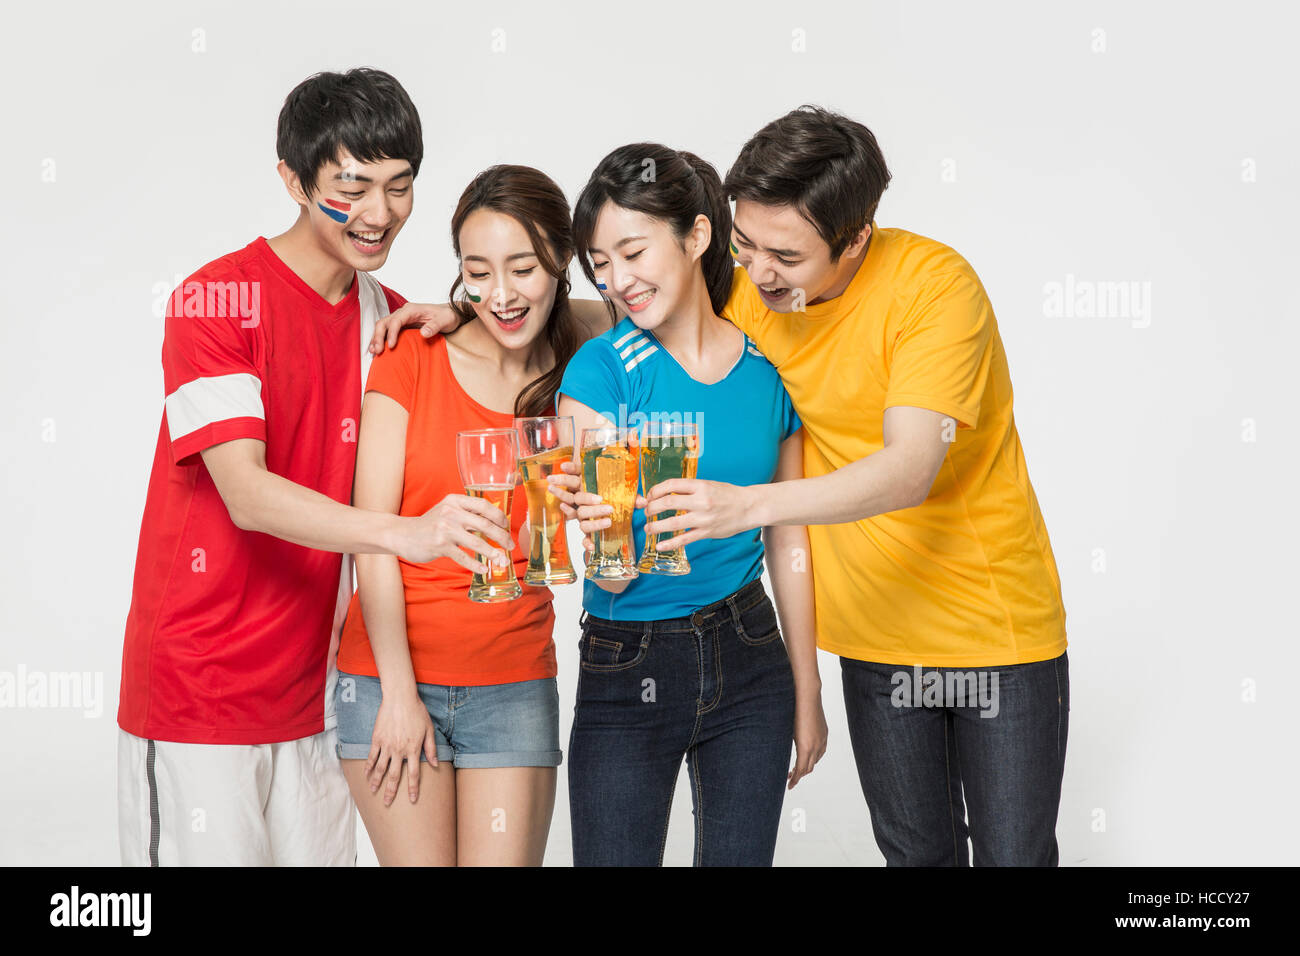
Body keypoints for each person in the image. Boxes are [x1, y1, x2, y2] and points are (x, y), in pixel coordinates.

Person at [632, 107, 1070, 866]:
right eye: (744, 244)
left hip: (995, 638)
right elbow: (641, 326)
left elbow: (909, 467)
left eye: (787, 256)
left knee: (1015, 857)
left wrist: (749, 505)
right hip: (875, 640)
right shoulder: (751, 297)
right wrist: (486, 316)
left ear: (856, 238)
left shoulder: (934, 288)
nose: (759, 271)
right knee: (914, 856)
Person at [116, 68, 493, 866]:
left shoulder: (393, 323)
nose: (379, 214)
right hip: (200, 695)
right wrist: (406, 535)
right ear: (291, 179)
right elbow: (247, 494)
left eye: (399, 186)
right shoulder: (216, 300)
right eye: (351, 187)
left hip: (325, 699)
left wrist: (468, 311)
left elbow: (568, 325)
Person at [548, 144, 826, 867]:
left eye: (632, 251)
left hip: (751, 654)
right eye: (599, 264)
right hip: (629, 655)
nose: (617, 280)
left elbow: (787, 535)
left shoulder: (770, 374)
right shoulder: (602, 371)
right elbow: (608, 576)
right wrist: (605, 529)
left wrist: (808, 688)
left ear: (698, 236)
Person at [334, 165, 608, 865]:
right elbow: (372, 537)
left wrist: (489, 309)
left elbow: (644, 310)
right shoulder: (410, 358)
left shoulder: (581, 370)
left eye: (523, 268)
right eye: (476, 272)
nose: (500, 293)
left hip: (513, 682)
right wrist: (398, 694)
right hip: (386, 679)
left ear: (562, 261)